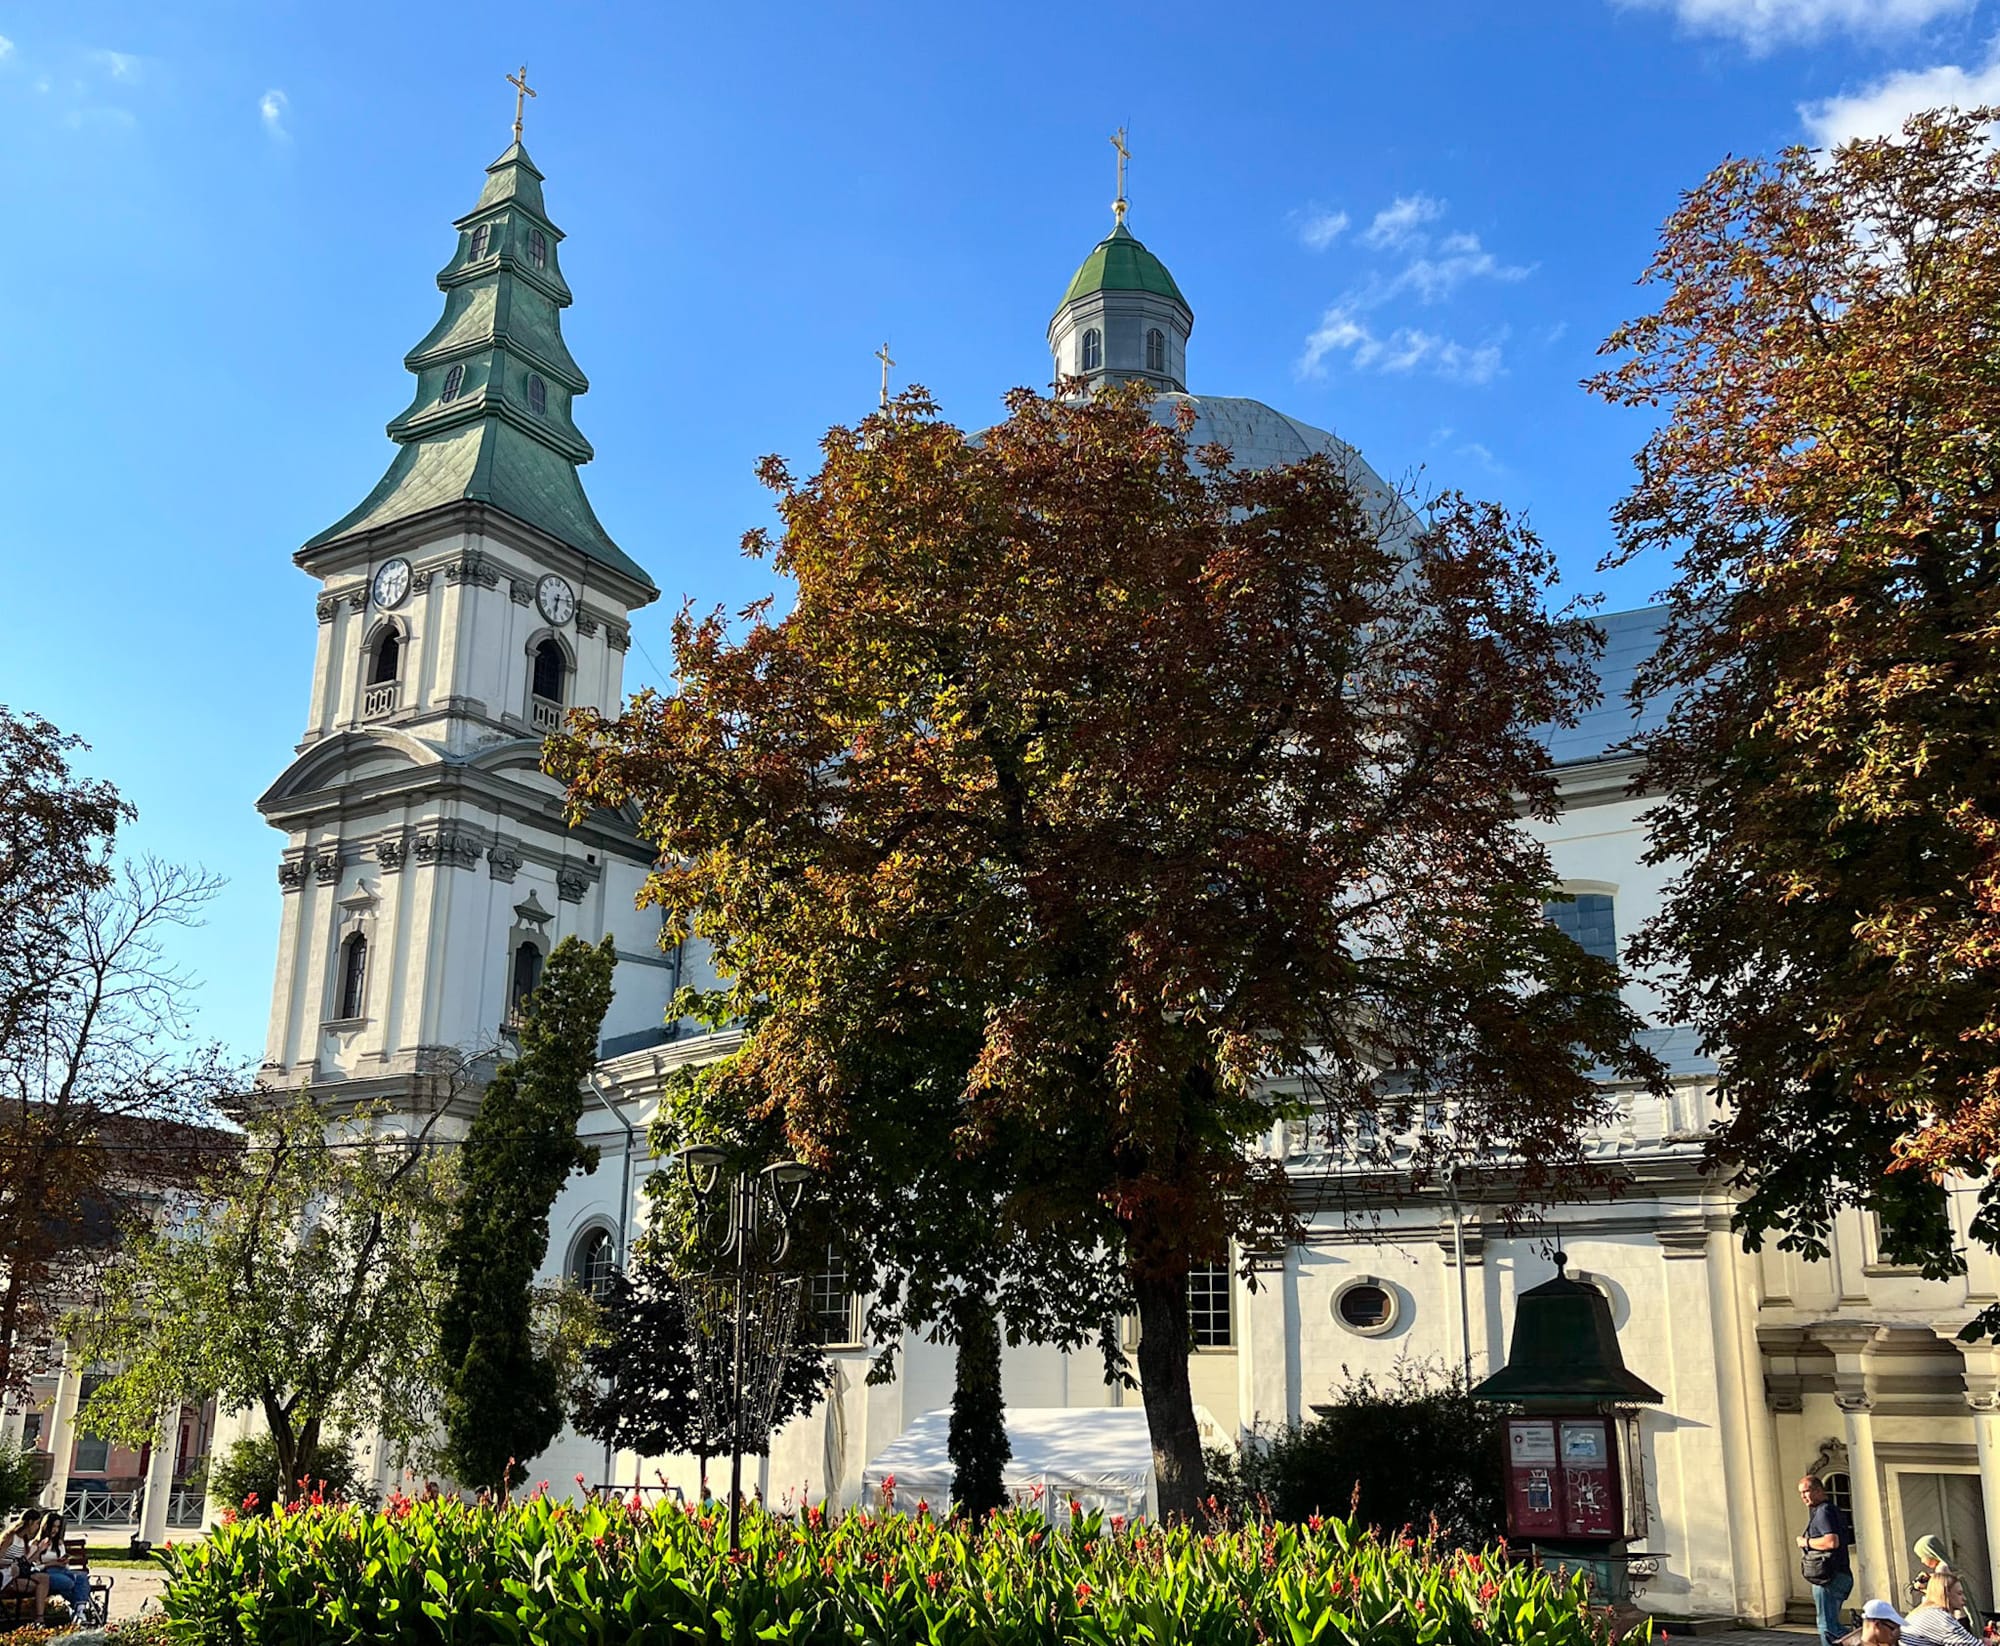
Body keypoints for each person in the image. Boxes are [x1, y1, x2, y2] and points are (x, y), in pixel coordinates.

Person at [1800, 1474, 1857, 1646]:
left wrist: (1806, 1542)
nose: (1803, 1497)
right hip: (1836, 1575)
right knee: (1830, 1624)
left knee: (1827, 1627)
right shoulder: (1829, 1510)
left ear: (1818, 1490)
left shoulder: (1824, 1511)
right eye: (1801, 1494)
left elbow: (1831, 1541)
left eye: (1806, 1492)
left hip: (1829, 1577)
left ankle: (1866, 1639)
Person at [32, 1511, 92, 1626]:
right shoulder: (37, 1543)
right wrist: (51, 1562)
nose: (55, 1530)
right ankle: (78, 1611)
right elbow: (34, 1566)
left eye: (58, 1527)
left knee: (82, 1577)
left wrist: (64, 1562)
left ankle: (79, 1610)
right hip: (47, 1573)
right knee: (69, 1583)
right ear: (45, 1526)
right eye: (53, 1526)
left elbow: (65, 1564)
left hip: (62, 1571)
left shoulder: (58, 1543)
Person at [0, 1509, 50, 1624]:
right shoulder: (10, 1537)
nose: (38, 1527)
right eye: (37, 1523)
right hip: (6, 1575)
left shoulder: (23, 1540)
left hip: (16, 1574)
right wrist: (11, 1564)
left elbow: (25, 1562)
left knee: (44, 1579)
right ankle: (38, 1618)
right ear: (30, 1522)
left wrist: (40, 1550)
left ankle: (39, 1618)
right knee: (39, 1586)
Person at [1912, 1535, 1975, 1625]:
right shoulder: (1947, 1565)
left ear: (1930, 1553)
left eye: (1923, 1556)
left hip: (1956, 1616)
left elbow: (1941, 1595)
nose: (1922, 1561)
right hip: (1961, 1613)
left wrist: (1922, 1589)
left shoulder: (1942, 1569)